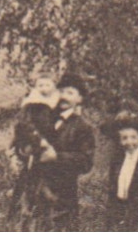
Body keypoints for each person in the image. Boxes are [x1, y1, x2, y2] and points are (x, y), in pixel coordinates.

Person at [30, 74, 96, 230]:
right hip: (36, 191)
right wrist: (25, 150)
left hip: (62, 197)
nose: (64, 97)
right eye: (61, 91)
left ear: (79, 99)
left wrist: (57, 157)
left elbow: (85, 162)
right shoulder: (44, 119)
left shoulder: (82, 127)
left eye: (70, 93)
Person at [9, 73, 61, 219]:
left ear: (54, 86)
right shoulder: (31, 104)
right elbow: (24, 126)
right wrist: (37, 141)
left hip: (51, 151)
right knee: (30, 181)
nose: (44, 88)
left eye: (47, 85)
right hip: (35, 146)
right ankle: (24, 211)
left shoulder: (57, 104)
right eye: (40, 85)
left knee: (48, 183)